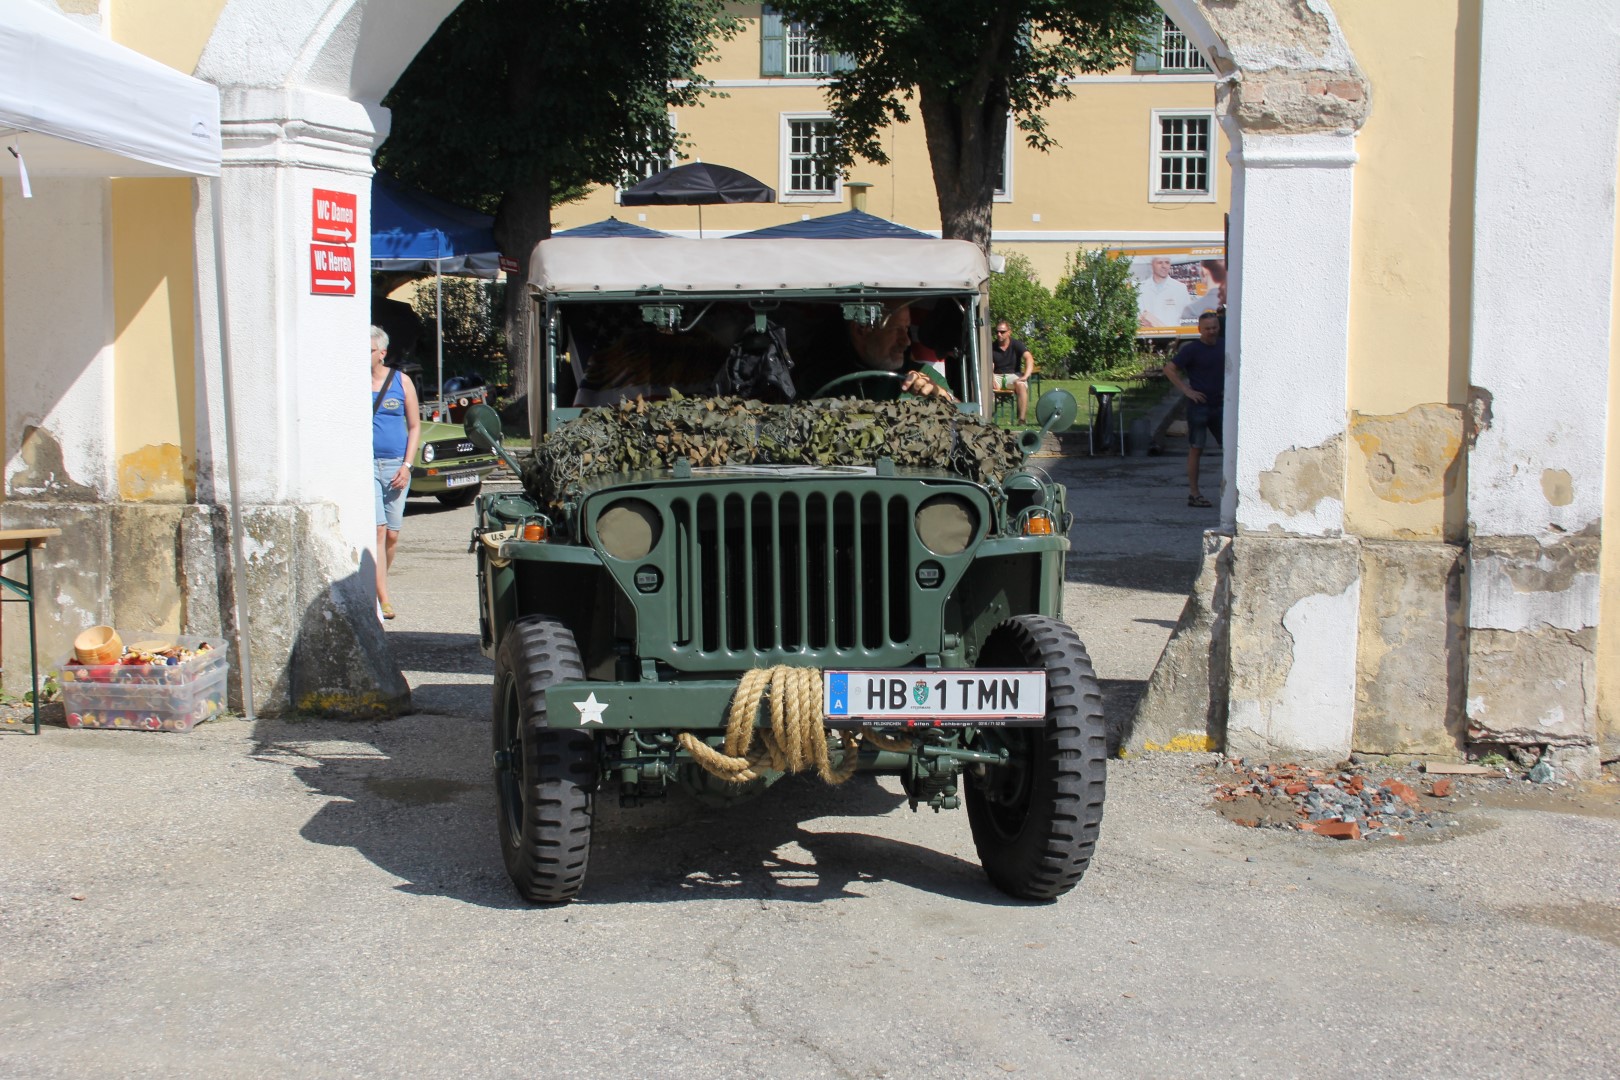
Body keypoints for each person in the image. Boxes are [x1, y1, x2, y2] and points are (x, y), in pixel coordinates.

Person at [799, 302, 955, 401]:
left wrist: (940, 395)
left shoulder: (924, 376)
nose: (906, 340)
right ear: (861, 330)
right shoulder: (820, 381)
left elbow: (965, 425)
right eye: (895, 329)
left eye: (906, 329)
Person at [371, 324, 420, 620]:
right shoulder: (353, 382)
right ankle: (383, 597)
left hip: (395, 466)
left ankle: (379, 582)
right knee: (377, 530)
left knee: (391, 535)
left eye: (368, 350)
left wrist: (407, 466)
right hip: (366, 464)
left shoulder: (401, 382)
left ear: (382, 353)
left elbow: (415, 426)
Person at [1162, 311, 1224, 508]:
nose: (1211, 332)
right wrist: (1187, 390)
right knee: (1196, 448)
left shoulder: (1224, 345)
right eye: (1207, 329)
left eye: (1214, 327)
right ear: (1199, 330)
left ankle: (1231, 493)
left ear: (1219, 327)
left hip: (1220, 404)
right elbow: (1169, 369)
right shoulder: (1192, 349)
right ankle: (1194, 493)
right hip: (1199, 406)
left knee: (1230, 450)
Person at [990, 320, 1036, 423]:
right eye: (997, 332)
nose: (998, 334)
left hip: (1013, 376)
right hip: (997, 376)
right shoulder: (992, 346)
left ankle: (1022, 419)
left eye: (1002, 332)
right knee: (983, 383)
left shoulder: (1016, 344)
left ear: (1009, 332)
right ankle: (982, 417)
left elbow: (1029, 358)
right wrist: (991, 377)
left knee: (1021, 384)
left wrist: (1026, 376)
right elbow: (990, 364)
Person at [1136, 255, 1190, 329]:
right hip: (1148, 335)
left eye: (1167, 262)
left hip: (1173, 336)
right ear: (1152, 265)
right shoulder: (1140, 288)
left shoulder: (1180, 288)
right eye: (1160, 262)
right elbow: (1138, 315)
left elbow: (1187, 318)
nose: (1164, 266)